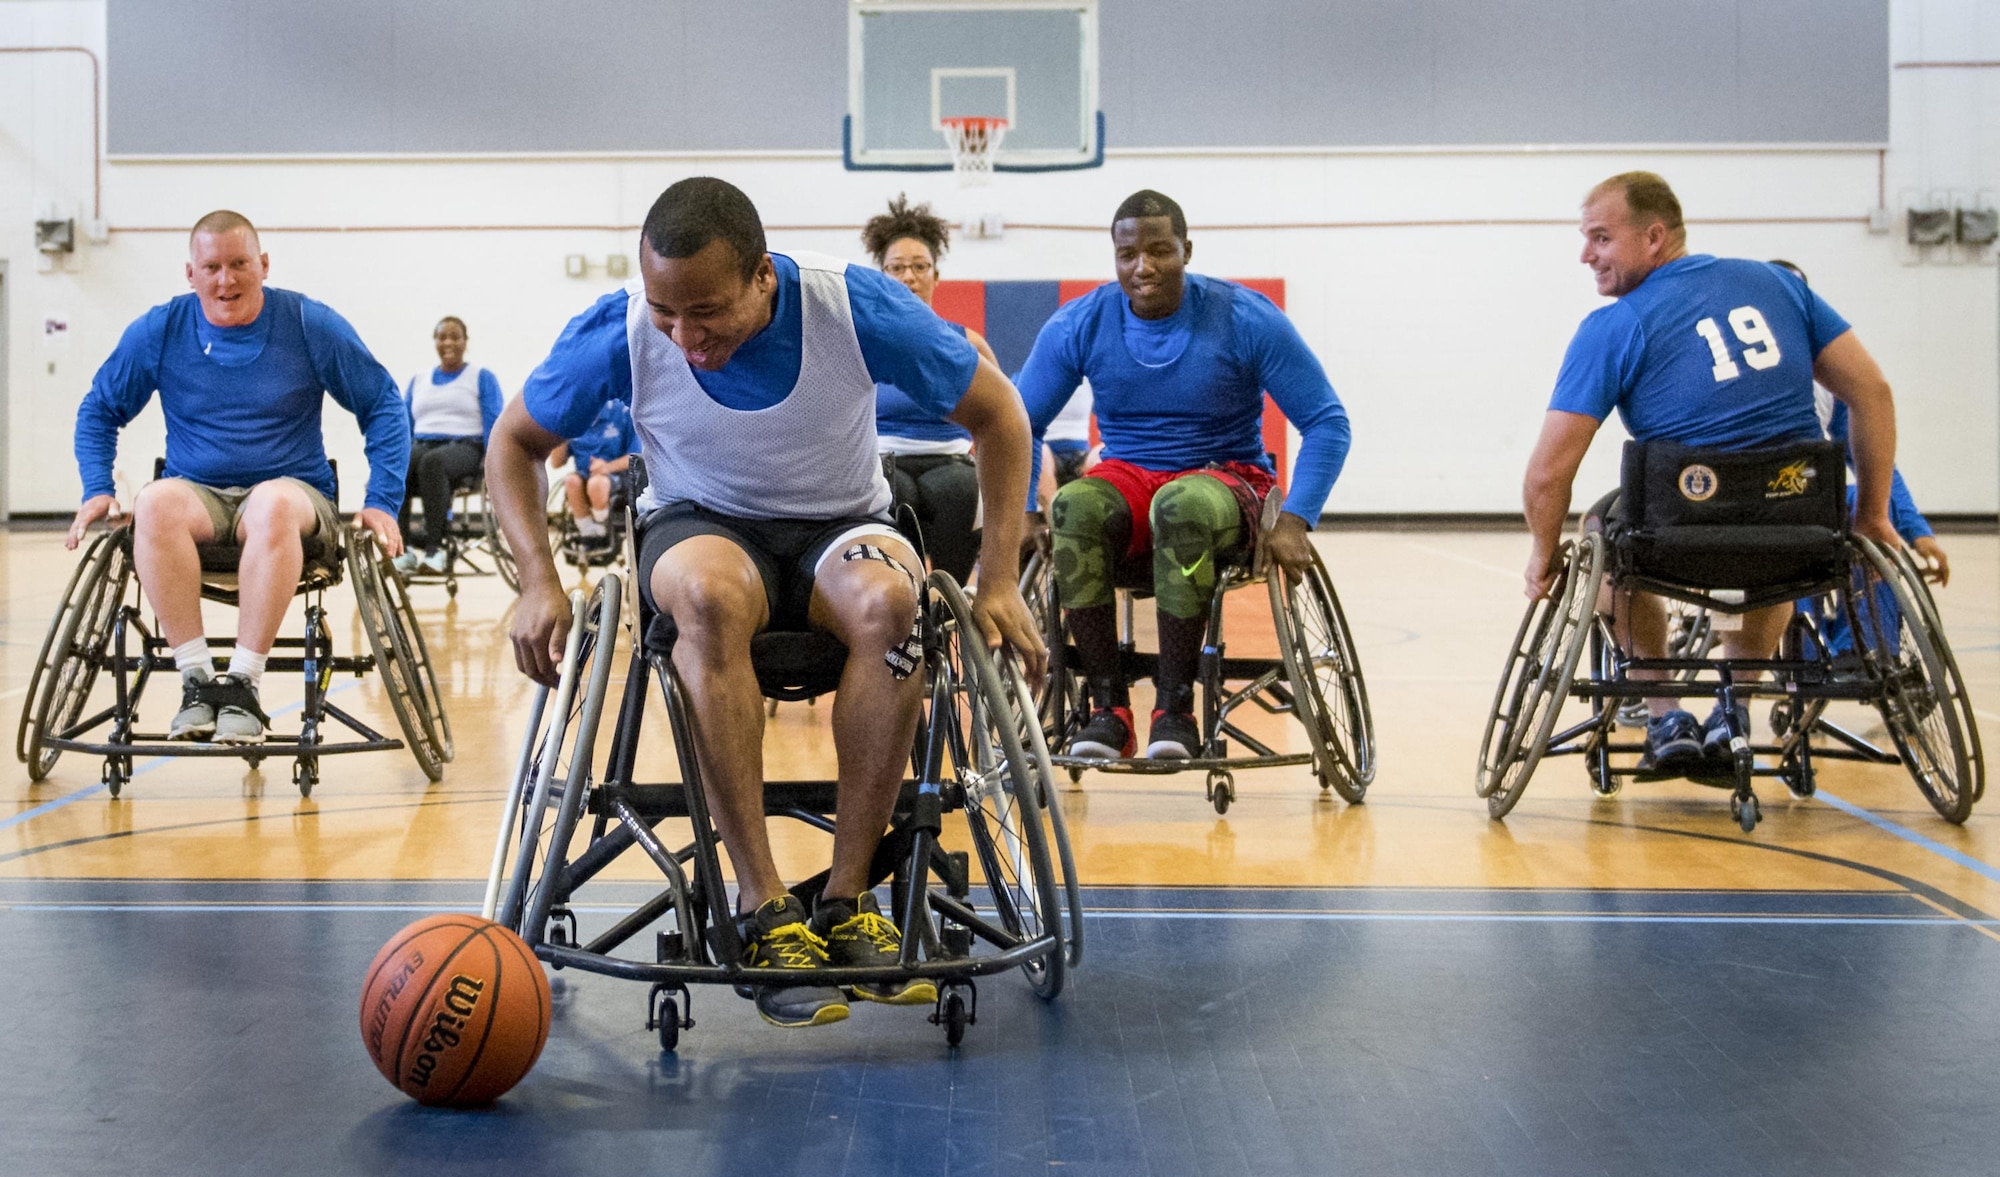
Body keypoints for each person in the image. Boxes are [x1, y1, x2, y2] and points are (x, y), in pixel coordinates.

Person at [486, 177, 1042, 1029]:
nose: (685, 336)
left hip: (843, 519)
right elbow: (515, 442)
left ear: (762, 278)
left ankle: (851, 899)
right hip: (700, 521)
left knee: (894, 605)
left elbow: (999, 415)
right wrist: (537, 580)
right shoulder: (624, 325)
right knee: (705, 598)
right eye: (667, 313)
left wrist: (999, 578)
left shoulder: (854, 308)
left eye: (705, 312)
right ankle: (762, 903)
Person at [1523, 172, 1902, 773]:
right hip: (1796, 524)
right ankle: (1736, 703)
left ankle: (1665, 709)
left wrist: (1543, 554)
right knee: (1779, 544)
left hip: (1676, 534)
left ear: (1654, 237)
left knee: (1603, 533)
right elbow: (1872, 393)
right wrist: (1875, 514)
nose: (1585, 254)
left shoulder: (1616, 325)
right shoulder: (1780, 284)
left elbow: (1548, 475)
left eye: (1600, 237)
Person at [1017, 189, 1352, 761]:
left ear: (1186, 250)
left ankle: (1175, 709)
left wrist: (1297, 520)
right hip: (1130, 474)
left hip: (1227, 478)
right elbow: (1018, 424)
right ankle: (1107, 710)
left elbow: (1326, 422)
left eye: (1158, 251)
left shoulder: (1244, 317)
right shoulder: (1083, 321)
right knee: (1073, 505)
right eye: (1127, 255)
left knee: (1182, 504)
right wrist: (1024, 510)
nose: (1142, 267)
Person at [69, 210, 408, 744]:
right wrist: (97, 487)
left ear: (263, 265)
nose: (226, 280)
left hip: (292, 496)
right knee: (155, 502)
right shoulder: (161, 330)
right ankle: (198, 681)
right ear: (191, 274)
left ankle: (244, 683)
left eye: (239, 264)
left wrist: (383, 498)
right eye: (212, 267)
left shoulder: (307, 323)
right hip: (198, 499)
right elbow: (99, 409)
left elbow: (383, 403)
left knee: (271, 503)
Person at [861, 194, 1003, 585]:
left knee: (959, 490)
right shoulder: (864, 344)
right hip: (885, 457)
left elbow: (1006, 416)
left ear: (936, 276)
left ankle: (947, 602)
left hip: (951, 460)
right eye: (898, 268)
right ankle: (902, 601)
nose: (910, 277)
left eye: (920, 267)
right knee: (892, 492)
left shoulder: (968, 344)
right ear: (882, 277)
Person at [394, 315, 503, 573]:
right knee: (401, 463)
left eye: (455, 337)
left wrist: (492, 463)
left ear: (465, 342)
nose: (448, 342)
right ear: (435, 341)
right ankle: (403, 550)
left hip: (465, 447)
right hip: (422, 443)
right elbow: (404, 423)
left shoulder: (481, 377)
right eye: (443, 337)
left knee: (433, 463)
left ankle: (436, 550)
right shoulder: (419, 379)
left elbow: (494, 422)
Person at [549, 395, 637, 551]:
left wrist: (607, 467)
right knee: (571, 481)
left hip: (616, 476)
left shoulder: (622, 413)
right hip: (584, 475)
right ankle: (588, 532)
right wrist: (562, 432)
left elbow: (636, 456)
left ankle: (603, 527)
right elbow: (556, 463)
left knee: (597, 484)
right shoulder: (573, 419)